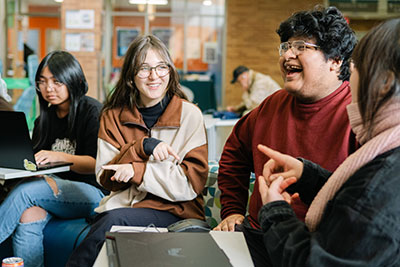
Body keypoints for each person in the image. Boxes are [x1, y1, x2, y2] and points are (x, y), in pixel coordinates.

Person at [214, 5, 358, 262]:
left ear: (335, 61)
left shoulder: (359, 112)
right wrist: (232, 210)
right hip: (259, 237)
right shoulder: (270, 105)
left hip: (321, 248)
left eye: (302, 46)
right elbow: (233, 156)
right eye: (285, 46)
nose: (287, 54)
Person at [255, 17, 400, 266]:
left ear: (385, 82)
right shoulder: (387, 147)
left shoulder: (381, 183)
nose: (289, 54)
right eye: (287, 46)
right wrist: (307, 175)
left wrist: (275, 211)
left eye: (358, 65)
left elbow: (319, 261)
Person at [66, 35, 208, 266]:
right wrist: (142, 147)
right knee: (110, 224)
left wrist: (136, 171)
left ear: (170, 71)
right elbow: (105, 177)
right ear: (131, 76)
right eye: (144, 69)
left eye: (161, 67)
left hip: (177, 211)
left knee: (112, 222)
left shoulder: (189, 114)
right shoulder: (112, 116)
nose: (154, 76)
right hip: (125, 207)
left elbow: (190, 183)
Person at [0, 50, 105, 267]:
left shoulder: (92, 112)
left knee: (25, 194)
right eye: (42, 82)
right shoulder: (43, 120)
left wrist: (59, 156)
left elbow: (98, 165)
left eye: (57, 82)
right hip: (50, 192)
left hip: (92, 193)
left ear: (73, 80)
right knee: (28, 215)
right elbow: (34, 161)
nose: (49, 88)